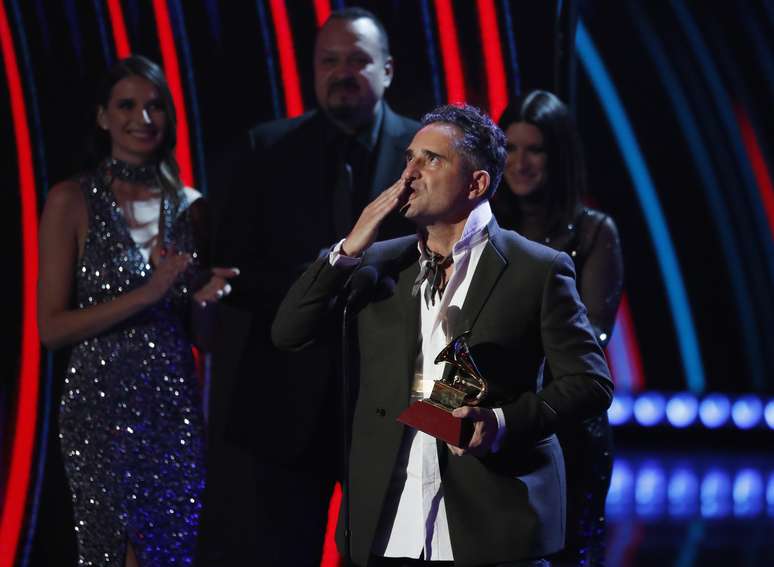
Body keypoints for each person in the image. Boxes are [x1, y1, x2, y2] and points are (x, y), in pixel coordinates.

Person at [272, 104, 613, 567]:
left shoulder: (537, 269)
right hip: (386, 523)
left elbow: (591, 383)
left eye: (431, 160)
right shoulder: (374, 264)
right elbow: (288, 332)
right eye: (409, 158)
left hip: (490, 525)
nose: (409, 173)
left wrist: (502, 422)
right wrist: (349, 248)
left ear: (476, 184)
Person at [201, 7, 421, 566]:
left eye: (357, 60)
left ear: (388, 70)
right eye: (329, 60)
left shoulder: (429, 153)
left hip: (392, 410)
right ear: (312, 69)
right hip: (281, 410)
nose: (342, 72)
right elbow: (232, 270)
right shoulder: (263, 150)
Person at [37, 55, 237, 567]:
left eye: (155, 107)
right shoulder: (71, 201)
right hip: (97, 414)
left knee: (170, 554)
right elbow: (51, 328)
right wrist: (149, 292)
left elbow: (205, 339)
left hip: (173, 412)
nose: (142, 119)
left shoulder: (192, 207)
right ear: (103, 117)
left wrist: (206, 302)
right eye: (127, 105)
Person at [491, 90, 623, 566]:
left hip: (566, 429)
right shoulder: (482, 227)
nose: (521, 163)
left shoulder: (594, 232)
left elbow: (589, 339)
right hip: (491, 424)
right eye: (511, 148)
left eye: (536, 150)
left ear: (558, 156)